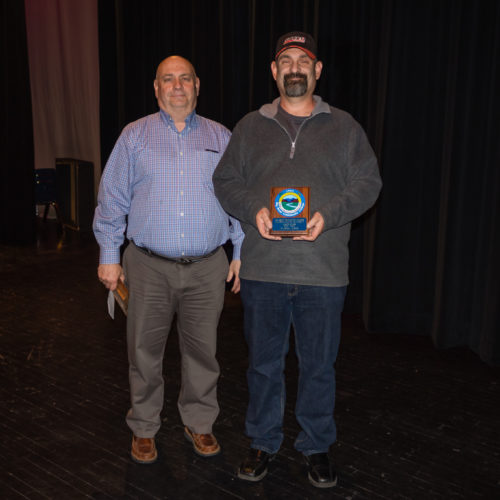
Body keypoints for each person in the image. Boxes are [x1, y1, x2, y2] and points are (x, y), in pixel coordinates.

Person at [212, 32, 382, 488]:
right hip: (264, 270)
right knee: (263, 365)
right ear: (274, 70)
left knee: (318, 368)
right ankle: (263, 442)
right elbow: (225, 180)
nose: (294, 67)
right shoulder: (250, 126)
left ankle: (316, 446)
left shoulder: (345, 127)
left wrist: (329, 215)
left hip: (323, 275)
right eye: (285, 60)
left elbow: (368, 183)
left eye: (302, 60)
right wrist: (254, 210)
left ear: (317, 70)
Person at [93, 55, 244, 464]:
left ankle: (199, 422)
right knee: (143, 351)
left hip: (208, 266)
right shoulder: (134, 136)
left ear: (197, 86)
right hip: (146, 265)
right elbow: (112, 200)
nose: (177, 86)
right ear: (156, 88)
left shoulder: (221, 136)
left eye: (185, 79)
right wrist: (109, 255)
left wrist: (240, 251)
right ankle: (144, 427)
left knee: (203, 352)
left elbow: (238, 200)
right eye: (168, 79)